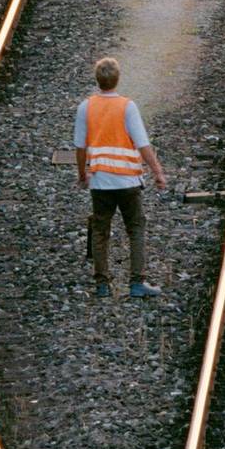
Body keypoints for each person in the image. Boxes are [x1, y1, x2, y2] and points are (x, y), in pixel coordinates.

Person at [73, 57, 167, 297]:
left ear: (97, 80)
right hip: (127, 181)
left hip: (100, 181)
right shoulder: (127, 107)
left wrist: (82, 174)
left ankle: (102, 284)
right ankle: (137, 283)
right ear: (117, 79)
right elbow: (143, 144)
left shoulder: (86, 107)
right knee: (135, 228)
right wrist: (157, 172)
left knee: (100, 230)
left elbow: (80, 147)